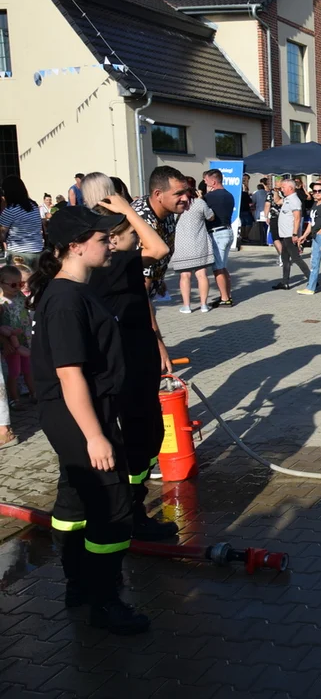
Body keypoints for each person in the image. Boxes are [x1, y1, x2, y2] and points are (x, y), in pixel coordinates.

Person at [30, 204, 151, 634]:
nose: (111, 244)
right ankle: (105, 601)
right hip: (79, 416)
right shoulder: (64, 300)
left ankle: (78, 585)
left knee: (76, 498)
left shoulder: (78, 289)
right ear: (75, 247)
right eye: (103, 239)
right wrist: (96, 436)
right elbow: (69, 374)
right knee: (112, 504)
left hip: (81, 414)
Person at [86, 188, 175, 541]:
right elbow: (159, 248)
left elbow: (141, 305)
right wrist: (130, 211)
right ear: (114, 238)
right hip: (128, 368)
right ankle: (132, 513)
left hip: (140, 358)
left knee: (148, 435)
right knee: (141, 438)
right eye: (130, 235)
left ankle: (133, 507)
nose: (136, 240)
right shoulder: (114, 262)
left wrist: (159, 340)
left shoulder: (121, 266)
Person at [130, 166, 188, 372]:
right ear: (158, 194)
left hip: (145, 289)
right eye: (178, 193)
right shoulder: (143, 223)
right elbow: (138, 289)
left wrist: (157, 277)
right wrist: (159, 343)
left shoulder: (167, 211)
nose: (185, 198)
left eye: (186, 192)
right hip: (128, 298)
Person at [169, 183, 214, 313]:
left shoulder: (176, 204)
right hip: (199, 242)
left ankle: (187, 306)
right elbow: (210, 217)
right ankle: (204, 305)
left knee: (185, 276)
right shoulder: (200, 203)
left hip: (182, 243)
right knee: (202, 274)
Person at [0, 265, 34, 406]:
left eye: (20, 284)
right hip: (11, 343)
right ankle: (15, 399)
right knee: (14, 371)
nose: (18, 287)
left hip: (25, 339)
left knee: (28, 369)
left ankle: (34, 393)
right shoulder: (1, 302)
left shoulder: (20, 296)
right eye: (13, 284)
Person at [201, 169, 235, 307]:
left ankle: (225, 298)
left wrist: (203, 196)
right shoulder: (229, 195)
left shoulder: (210, 197)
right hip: (227, 230)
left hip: (217, 233)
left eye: (206, 181)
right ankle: (226, 294)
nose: (204, 183)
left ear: (213, 182)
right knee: (223, 267)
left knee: (218, 268)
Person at [272, 179, 311, 290]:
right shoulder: (287, 199)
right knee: (285, 258)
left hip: (290, 234)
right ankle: (285, 282)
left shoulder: (294, 200)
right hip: (285, 234)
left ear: (290, 188)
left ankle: (312, 280)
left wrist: (295, 234)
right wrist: (276, 191)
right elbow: (277, 201)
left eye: (283, 187)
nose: (282, 189)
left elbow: (297, 218)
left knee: (296, 258)